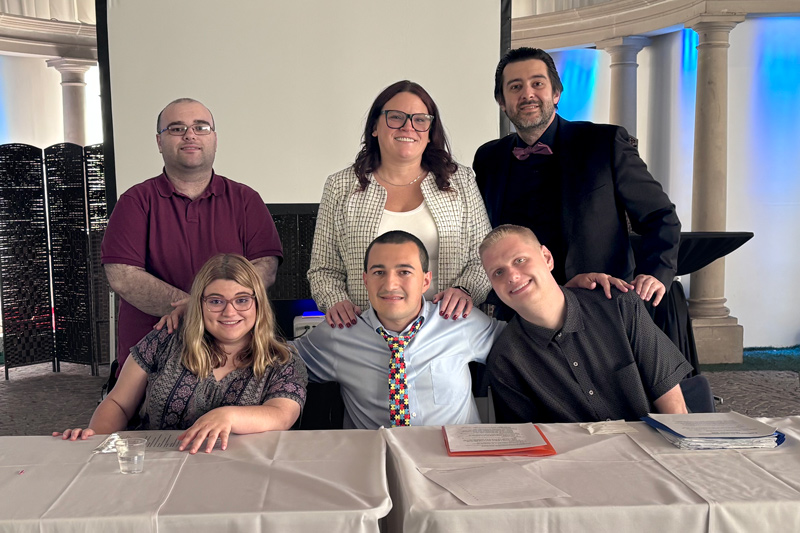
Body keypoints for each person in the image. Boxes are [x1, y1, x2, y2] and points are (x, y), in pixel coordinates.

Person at [473, 47, 681, 309]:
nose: (527, 94)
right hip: (518, 310)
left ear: (556, 92)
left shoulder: (605, 143)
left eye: (537, 83)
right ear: (502, 101)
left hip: (600, 304)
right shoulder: (488, 158)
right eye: (515, 87)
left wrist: (655, 272)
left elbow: (660, 216)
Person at [54, 254, 307, 454]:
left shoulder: (282, 359)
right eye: (216, 301)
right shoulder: (164, 339)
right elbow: (118, 403)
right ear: (199, 303)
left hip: (243, 474)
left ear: (258, 303)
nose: (230, 312)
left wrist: (226, 415)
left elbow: (282, 414)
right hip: (155, 468)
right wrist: (95, 440)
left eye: (242, 300)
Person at [101, 97, 282, 375]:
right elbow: (123, 277)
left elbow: (265, 269)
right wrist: (200, 308)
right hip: (150, 358)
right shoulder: (135, 201)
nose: (190, 135)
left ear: (215, 139)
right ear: (160, 142)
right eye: (176, 128)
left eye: (201, 127)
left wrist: (202, 308)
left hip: (233, 356)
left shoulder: (246, 199)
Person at [308, 80, 491, 329]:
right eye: (395, 117)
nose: (408, 127)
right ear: (374, 126)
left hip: (447, 333)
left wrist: (466, 290)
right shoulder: (340, 186)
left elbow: (484, 258)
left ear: (430, 131)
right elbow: (323, 268)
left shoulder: (461, 181)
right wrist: (335, 301)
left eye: (420, 119)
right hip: (366, 332)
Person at [479, 225, 691, 424]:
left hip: (656, 451)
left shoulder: (619, 305)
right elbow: (531, 446)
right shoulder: (505, 360)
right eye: (498, 272)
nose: (512, 276)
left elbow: (675, 410)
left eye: (520, 260)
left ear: (547, 258)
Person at [295, 231, 505, 429]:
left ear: (425, 281)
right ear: (366, 280)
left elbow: (522, 344)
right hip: (375, 460)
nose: (390, 284)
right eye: (379, 272)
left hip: (454, 460)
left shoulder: (459, 321)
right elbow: (275, 359)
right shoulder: (339, 334)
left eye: (404, 272)